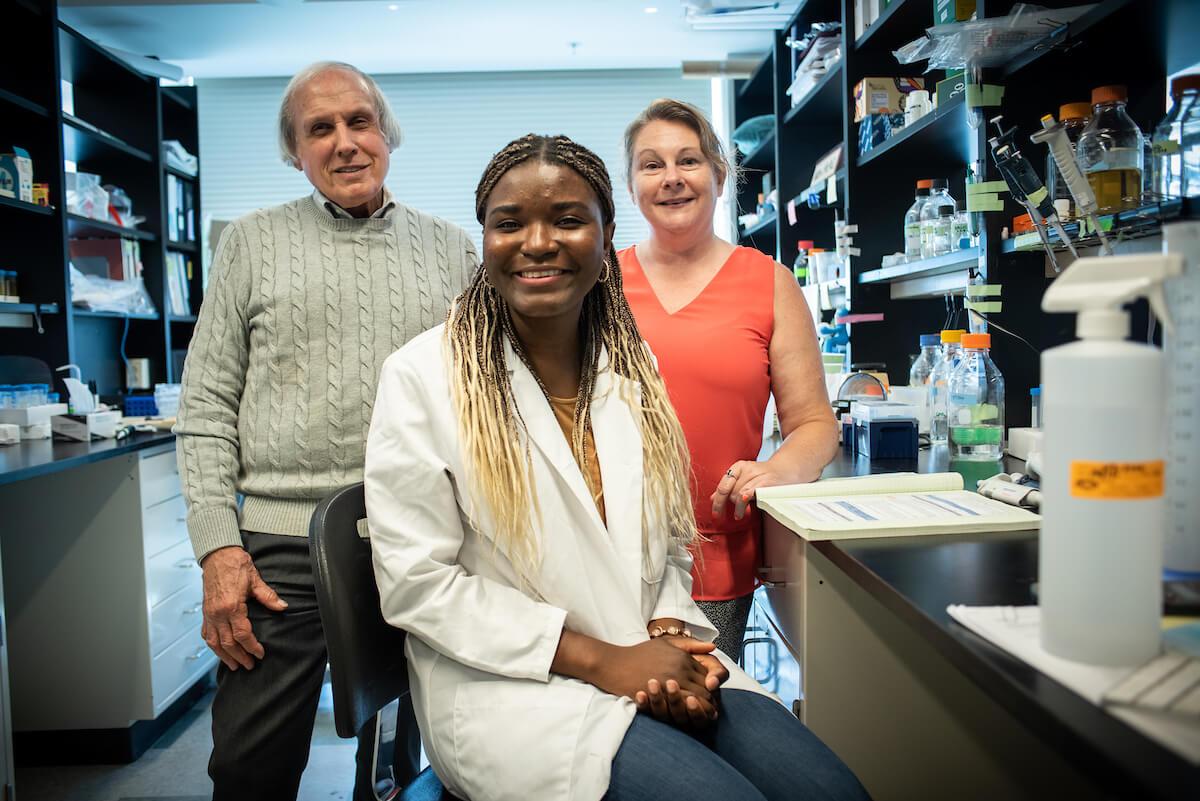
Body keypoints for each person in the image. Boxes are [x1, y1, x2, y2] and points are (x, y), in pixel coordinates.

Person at [364, 133, 869, 801]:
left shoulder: (631, 371)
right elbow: (417, 585)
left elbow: (667, 544)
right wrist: (605, 660)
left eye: (568, 219)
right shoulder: (423, 376)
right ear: (484, 240)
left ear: (606, 239)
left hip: (643, 654)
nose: (538, 241)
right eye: (509, 222)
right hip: (511, 691)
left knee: (834, 792)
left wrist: (666, 640)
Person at [174, 61, 478, 801]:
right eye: (320, 129)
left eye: (359, 121)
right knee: (250, 758)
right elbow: (207, 405)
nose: (344, 143)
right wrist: (220, 546)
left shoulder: (452, 250)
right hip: (281, 548)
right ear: (296, 151)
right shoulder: (250, 244)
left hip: (419, 533)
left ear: (386, 135)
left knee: (412, 754)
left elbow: (480, 395)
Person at [619, 99, 838, 657]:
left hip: (714, 556)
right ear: (631, 183)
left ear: (719, 175)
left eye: (688, 160)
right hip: (605, 554)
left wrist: (777, 469)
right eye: (651, 164)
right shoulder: (600, 283)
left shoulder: (768, 283)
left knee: (702, 715)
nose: (671, 179)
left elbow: (814, 425)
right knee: (610, 730)